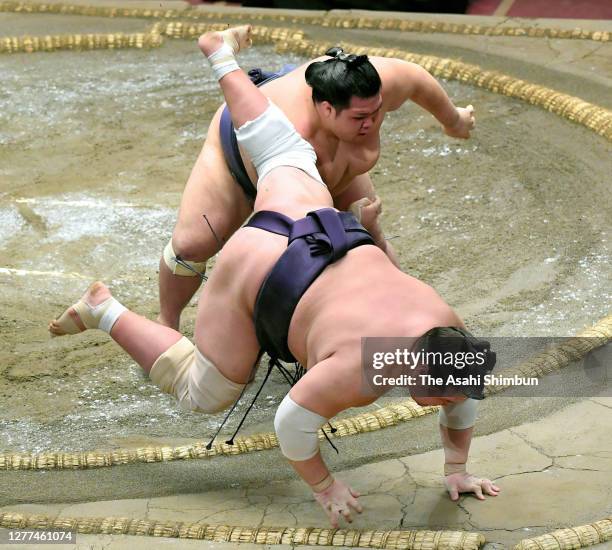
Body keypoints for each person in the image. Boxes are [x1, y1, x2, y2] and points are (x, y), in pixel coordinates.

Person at [49, 26, 496, 528]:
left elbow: (458, 404)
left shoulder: (452, 340)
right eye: (437, 394)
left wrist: (457, 469)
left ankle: (220, 56)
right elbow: (291, 424)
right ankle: (103, 309)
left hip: (309, 212)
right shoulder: (360, 371)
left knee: (279, 148)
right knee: (207, 392)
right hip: (256, 264)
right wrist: (325, 487)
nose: (443, 402)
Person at [158, 33, 476, 330]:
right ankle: (166, 323)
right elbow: (293, 240)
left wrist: (455, 120)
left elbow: (417, 79)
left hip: (329, 173)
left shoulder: (373, 85)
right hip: (245, 157)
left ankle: (413, 325)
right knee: (193, 244)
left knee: (369, 241)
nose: (371, 124)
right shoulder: (289, 139)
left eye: (376, 114)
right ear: (326, 109)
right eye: (359, 118)